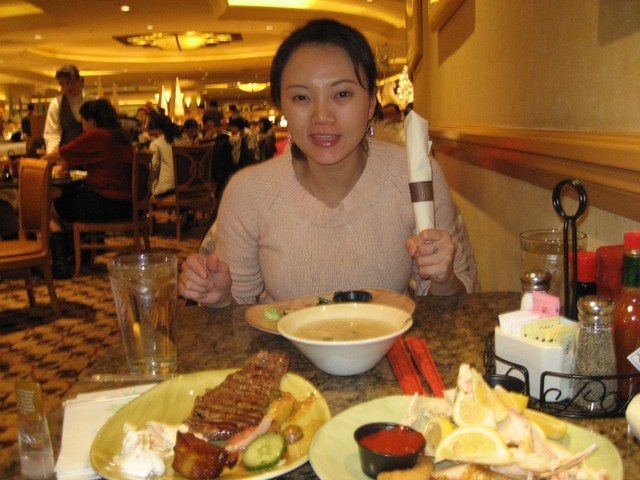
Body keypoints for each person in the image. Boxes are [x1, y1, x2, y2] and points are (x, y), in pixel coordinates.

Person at [179, 18, 476, 306]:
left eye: (342, 94)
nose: (322, 117)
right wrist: (220, 298)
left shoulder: (414, 177)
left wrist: (444, 278)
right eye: (301, 98)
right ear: (282, 106)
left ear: (371, 102)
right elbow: (237, 313)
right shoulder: (249, 192)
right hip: (280, 341)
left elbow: (459, 302)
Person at [45, 99, 134, 278]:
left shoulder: (97, 135)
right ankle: (80, 253)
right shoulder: (120, 136)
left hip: (105, 204)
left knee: (51, 206)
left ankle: (61, 262)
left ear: (91, 121)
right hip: (128, 205)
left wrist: (31, 165)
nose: (83, 128)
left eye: (83, 123)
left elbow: (60, 154)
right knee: (68, 198)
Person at [43, 65, 88, 153]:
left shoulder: (93, 101)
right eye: (62, 84)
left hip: (91, 153)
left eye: (70, 82)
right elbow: (53, 135)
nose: (66, 87)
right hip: (68, 155)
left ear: (80, 80)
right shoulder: (56, 104)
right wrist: (52, 155)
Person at [149, 115, 176, 196]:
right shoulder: (184, 139)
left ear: (157, 129)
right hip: (186, 188)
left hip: (166, 189)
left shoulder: (156, 143)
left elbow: (154, 167)